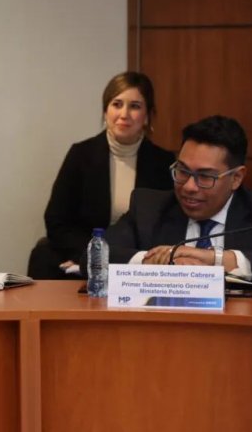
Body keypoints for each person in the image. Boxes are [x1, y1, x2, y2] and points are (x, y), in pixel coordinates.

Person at [28, 71, 174, 279]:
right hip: (83, 258)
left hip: (138, 266)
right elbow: (56, 220)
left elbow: (167, 225)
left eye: (135, 106)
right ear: (105, 111)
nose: (124, 114)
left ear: (147, 116)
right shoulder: (81, 154)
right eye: (117, 104)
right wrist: (90, 258)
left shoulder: (163, 162)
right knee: (43, 256)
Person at [101, 115, 252, 282]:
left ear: (236, 178)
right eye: (183, 171)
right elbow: (94, 256)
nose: (189, 187)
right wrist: (159, 260)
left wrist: (214, 259)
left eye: (205, 176)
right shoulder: (149, 208)